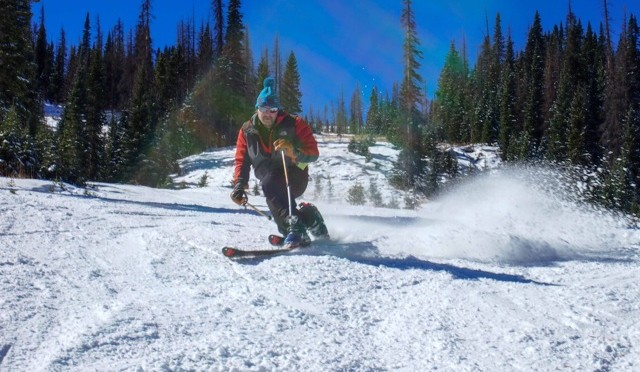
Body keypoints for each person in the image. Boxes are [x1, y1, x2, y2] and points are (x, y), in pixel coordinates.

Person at [230, 77, 328, 248]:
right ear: (257, 108)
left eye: (273, 109)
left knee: (270, 185)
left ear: (278, 110)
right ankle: (310, 218)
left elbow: (313, 153)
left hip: (294, 175)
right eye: (263, 109)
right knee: (272, 193)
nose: (268, 114)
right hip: (268, 177)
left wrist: (294, 152)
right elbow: (241, 160)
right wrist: (239, 184)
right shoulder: (247, 131)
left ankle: (296, 229)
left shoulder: (295, 124)